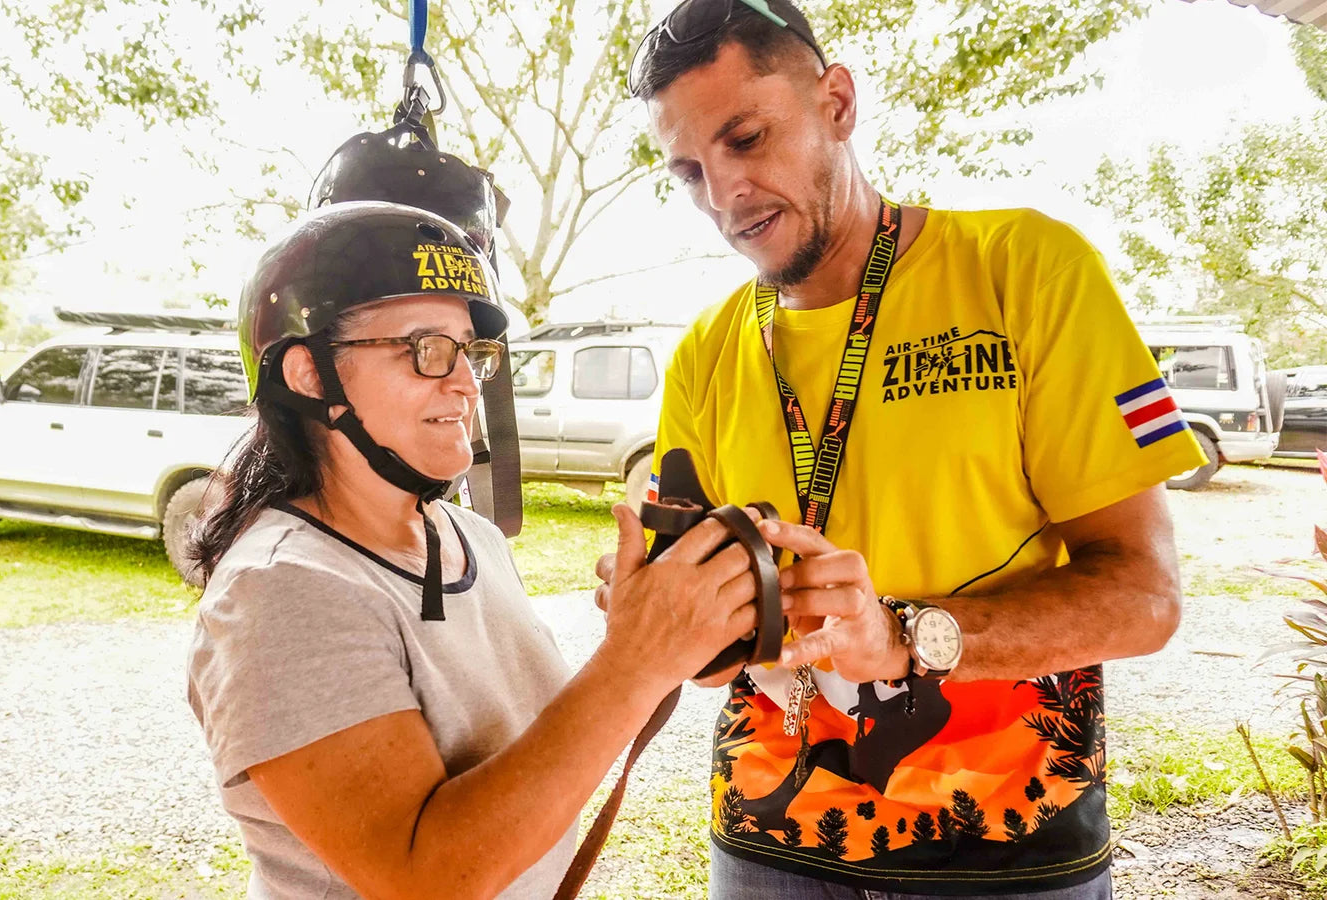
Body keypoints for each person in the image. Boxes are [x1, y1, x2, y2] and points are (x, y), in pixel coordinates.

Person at [606, 0, 1209, 896]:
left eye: (747, 138)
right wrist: (663, 611)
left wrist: (901, 636)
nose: (724, 195)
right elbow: (713, 648)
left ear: (837, 104)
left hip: (1005, 844)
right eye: (690, 170)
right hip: (767, 846)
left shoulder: (1027, 269)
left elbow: (1145, 598)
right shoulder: (706, 347)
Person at [185, 201, 769, 900]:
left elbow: (540, 751)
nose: (464, 383)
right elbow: (424, 875)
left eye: (471, 353)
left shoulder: (469, 538)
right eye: (425, 349)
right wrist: (633, 664)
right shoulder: (283, 592)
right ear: (310, 374)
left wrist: (668, 633)